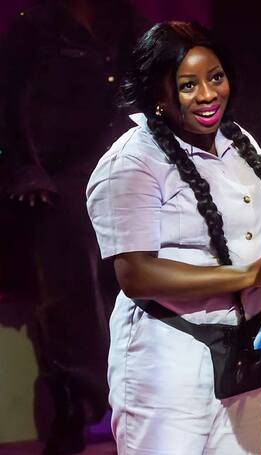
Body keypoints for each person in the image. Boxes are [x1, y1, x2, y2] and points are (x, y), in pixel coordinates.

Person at [85, 22, 261, 454]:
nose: (209, 94)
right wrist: (247, 276)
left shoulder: (238, 140)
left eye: (215, 77)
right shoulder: (132, 162)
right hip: (169, 362)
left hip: (247, 354)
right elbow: (136, 274)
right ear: (158, 95)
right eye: (187, 85)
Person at [0, 2, 145, 453]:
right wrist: (25, 170)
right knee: (69, 284)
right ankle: (75, 399)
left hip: (115, 167)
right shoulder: (34, 27)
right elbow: (6, 103)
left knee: (130, 275)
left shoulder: (125, 24)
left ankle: (123, 399)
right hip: (54, 176)